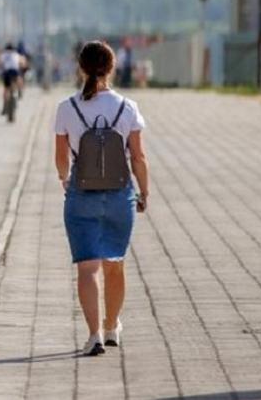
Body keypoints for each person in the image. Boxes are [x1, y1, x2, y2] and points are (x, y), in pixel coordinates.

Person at [54, 40, 149, 356]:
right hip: (120, 195)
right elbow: (139, 157)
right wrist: (144, 192)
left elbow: (61, 159)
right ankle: (112, 327)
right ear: (112, 68)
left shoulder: (67, 108)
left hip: (81, 195)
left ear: (80, 68)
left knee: (87, 268)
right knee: (115, 264)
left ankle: (93, 335)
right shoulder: (128, 107)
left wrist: (66, 180)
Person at [0, 43, 24, 115]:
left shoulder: (4, 54)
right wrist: (22, 65)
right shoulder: (16, 55)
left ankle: (4, 106)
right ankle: (19, 91)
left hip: (7, 72)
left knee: (6, 89)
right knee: (19, 79)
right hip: (15, 72)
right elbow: (22, 62)